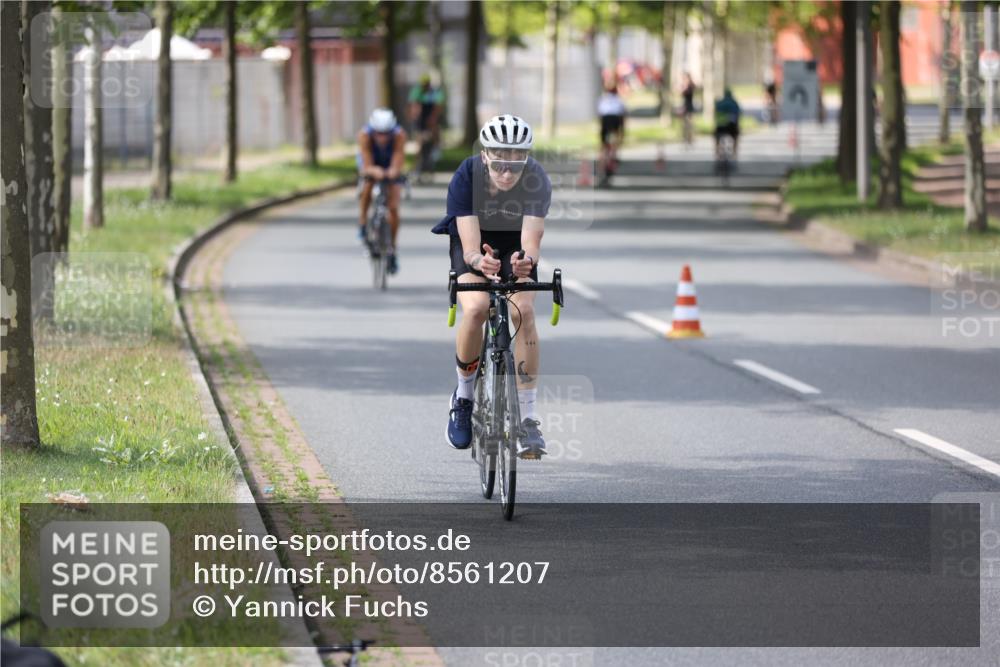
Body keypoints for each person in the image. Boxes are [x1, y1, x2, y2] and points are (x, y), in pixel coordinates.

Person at [432, 115, 551, 458]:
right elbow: (470, 246)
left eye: (515, 164)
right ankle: (464, 398)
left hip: (515, 244)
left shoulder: (537, 178)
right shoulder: (467, 176)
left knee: (523, 310)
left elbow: (532, 240)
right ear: (485, 156)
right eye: (499, 164)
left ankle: (527, 419)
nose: (507, 174)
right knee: (477, 308)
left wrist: (526, 261)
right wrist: (477, 261)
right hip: (473, 243)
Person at [357, 108, 407, 274]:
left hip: (390, 162)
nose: (383, 138)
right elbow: (367, 162)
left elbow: (398, 157)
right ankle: (363, 222)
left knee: (393, 206)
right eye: (379, 133)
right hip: (372, 161)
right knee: (367, 185)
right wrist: (373, 171)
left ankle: (392, 248)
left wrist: (393, 171)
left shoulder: (399, 135)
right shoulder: (364, 135)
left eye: (386, 134)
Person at [407, 73, 445, 181]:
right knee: (419, 144)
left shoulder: (435, 92)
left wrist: (433, 119)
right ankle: (417, 169)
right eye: (423, 85)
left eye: (426, 84)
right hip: (421, 121)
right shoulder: (417, 91)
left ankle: (436, 149)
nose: (425, 87)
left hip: (432, 120)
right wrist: (413, 116)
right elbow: (413, 106)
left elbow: (438, 107)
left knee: (435, 134)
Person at [597, 83, 627, 185]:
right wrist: (622, 132)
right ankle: (613, 156)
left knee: (604, 146)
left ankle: (602, 163)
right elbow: (622, 116)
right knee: (614, 143)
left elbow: (600, 115)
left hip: (605, 121)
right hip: (615, 121)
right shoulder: (619, 100)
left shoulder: (603, 99)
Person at [714, 87, 742, 163]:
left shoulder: (719, 103)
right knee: (736, 136)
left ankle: (717, 153)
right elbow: (737, 116)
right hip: (731, 126)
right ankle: (734, 154)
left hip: (720, 127)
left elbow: (716, 116)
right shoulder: (734, 103)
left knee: (717, 138)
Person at [680, 72, 696, 146]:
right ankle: (685, 137)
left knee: (690, 123)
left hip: (689, 106)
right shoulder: (685, 86)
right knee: (684, 124)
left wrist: (684, 88)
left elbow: (686, 92)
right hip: (685, 106)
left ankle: (690, 137)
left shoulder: (690, 86)